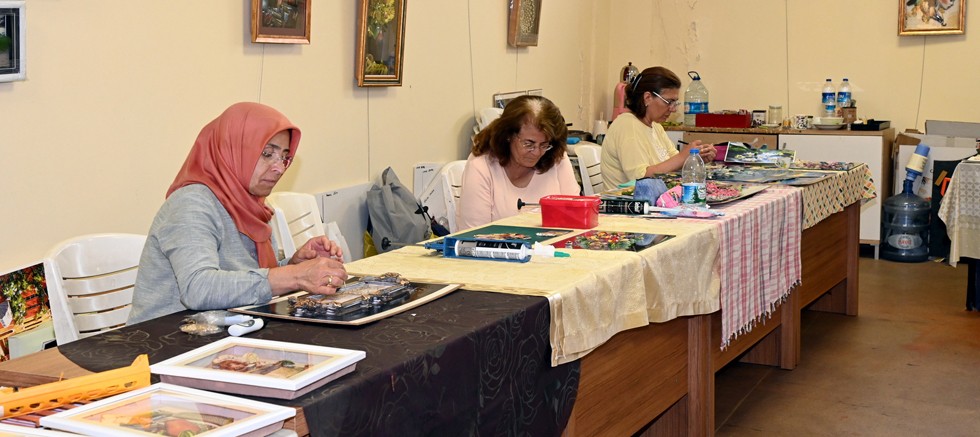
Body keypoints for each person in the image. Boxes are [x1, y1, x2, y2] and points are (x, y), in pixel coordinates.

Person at [129, 102, 348, 324]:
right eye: (267, 154)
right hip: (168, 337)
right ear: (231, 150)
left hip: (225, 330)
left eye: (284, 157)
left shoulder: (251, 203)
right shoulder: (191, 203)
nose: (279, 168)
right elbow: (199, 288)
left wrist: (295, 265)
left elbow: (245, 277)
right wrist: (295, 276)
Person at [457, 95, 580, 230]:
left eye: (544, 144)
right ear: (508, 135)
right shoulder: (481, 166)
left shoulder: (556, 156)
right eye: (528, 144)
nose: (537, 152)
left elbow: (575, 216)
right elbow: (473, 235)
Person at [600, 66, 717, 190]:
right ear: (647, 98)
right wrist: (683, 156)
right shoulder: (627, 125)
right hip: (629, 200)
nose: (673, 109)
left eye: (675, 103)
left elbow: (674, 163)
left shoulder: (655, 126)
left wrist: (695, 158)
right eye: (669, 102)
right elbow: (641, 178)